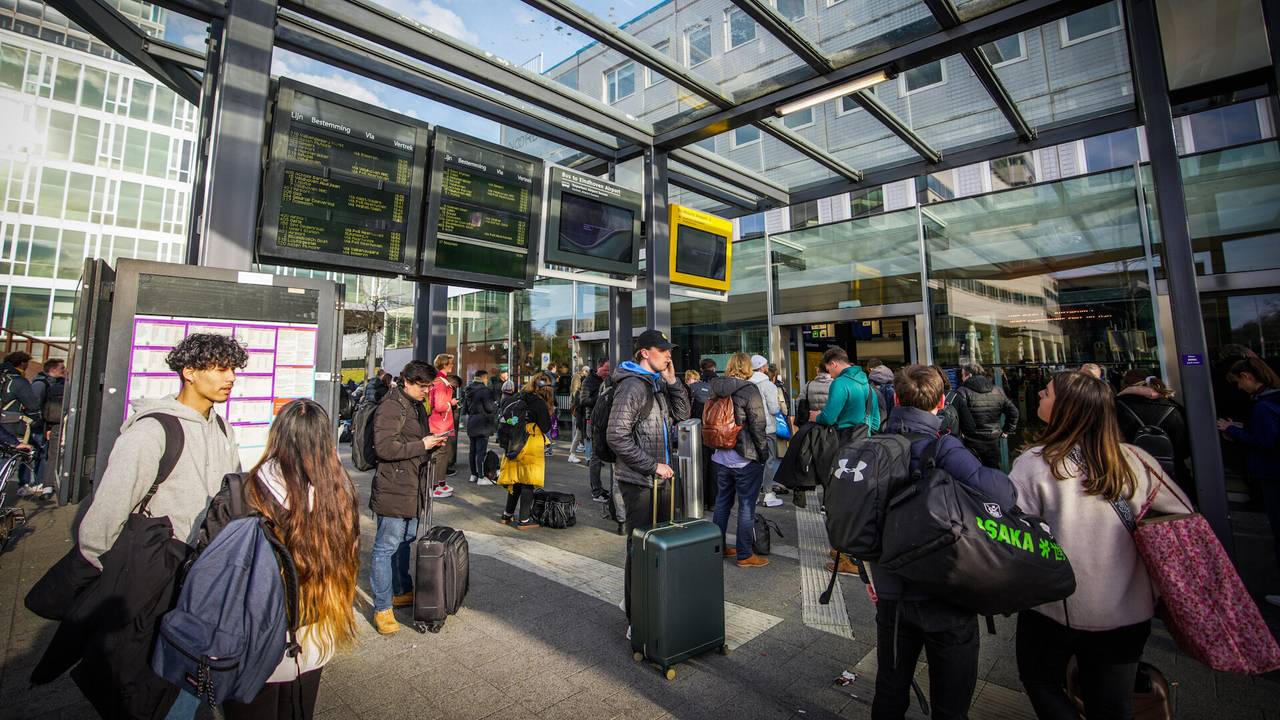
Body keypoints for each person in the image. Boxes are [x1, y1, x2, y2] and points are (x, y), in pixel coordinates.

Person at [75, 334, 245, 720]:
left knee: (186, 665)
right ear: (189, 372)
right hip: (154, 569)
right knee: (144, 664)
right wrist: (99, 572)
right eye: (220, 368)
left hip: (202, 570)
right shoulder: (151, 431)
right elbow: (108, 510)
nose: (231, 377)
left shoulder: (221, 428)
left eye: (233, 369)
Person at [1010, 371, 1192, 719]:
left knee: (1040, 679)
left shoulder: (1036, 463)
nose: (1038, 397)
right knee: (1112, 703)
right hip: (1128, 606)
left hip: (1055, 604)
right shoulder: (1136, 462)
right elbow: (1181, 517)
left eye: (1046, 393)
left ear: (1067, 408)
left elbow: (1013, 529)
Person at [867, 365, 1017, 720]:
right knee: (951, 700)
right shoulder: (944, 447)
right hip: (945, 588)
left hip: (891, 588)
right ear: (938, 403)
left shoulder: (873, 445)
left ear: (897, 398)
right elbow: (1000, 493)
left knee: (890, 688)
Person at [213, 400, 360, 720]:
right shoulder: (338, 492)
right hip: (317, 630)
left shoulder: (248, 491)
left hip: (256, 635)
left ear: (277, 434)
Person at [606, 330, 690, 632]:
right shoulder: (632, 386)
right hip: (641, 480)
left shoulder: (654, 383)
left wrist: (672, 381)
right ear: (644, 352)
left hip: (656, 477)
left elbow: (683, 414)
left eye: (670, 350)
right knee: (640, 548)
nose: (669, 356)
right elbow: (616, 434)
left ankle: (636, 603)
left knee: (652, 545)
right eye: (662, 350)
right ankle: (636, 618)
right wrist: (652, 465)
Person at [369, 360, 448, 635]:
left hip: (412, 485)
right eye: (423, 386)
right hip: (394, 486)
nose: (427, 391)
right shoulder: (391, 406)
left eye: (429, 386)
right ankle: (382, 607)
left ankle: (401, 589)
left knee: (405, 541)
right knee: (386, 546)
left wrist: (432, 442)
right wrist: (422, 444)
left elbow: (413, 440)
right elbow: (384, 447)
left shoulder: (414, 405)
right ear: (407, 382)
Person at [1217, 356, 1280, 607]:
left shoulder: (1264, 406)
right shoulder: (1272, 400)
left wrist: (1232, 430)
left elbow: (1266, 441)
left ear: (1247, 377)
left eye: (1238, 382)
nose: (1239, 388)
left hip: (1272, 473)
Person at [708, 352, 770, 568]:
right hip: (745, 457)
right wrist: (763, 453)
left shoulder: (715, 388)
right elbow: (757, 424)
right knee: (746, 505)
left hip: (720, 456)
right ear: (748, 368)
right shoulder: (749, 390)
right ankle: (745, 554)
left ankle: (718, 547)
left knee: (722, 502)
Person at [1115, 370, 1191, 498]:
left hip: (1130, 477)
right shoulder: (1174, 408)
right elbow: (1185, 450)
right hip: (1172, 479)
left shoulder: (1114, 406)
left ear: (1126, 384)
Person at [497, 376, 554, 529]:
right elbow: (545, 427)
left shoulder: (518, 396)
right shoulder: (538, 403)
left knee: (515, 481)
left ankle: (507, 515)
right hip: (530, 443)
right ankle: (524, 520)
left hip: (514, 443)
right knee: (528, 481)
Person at [953, 362, 1018, 469]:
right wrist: (1006, 430)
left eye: (962, 375)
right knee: (993, 472)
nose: (962, 378)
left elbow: (957, 416)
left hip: (971, 442)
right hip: (993, 440)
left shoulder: (962, 392)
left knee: (972, 473)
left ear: (969, 375)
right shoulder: (997, 390)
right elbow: (1013, 412)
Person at [1, 351, 43, 493]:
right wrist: (37, 422)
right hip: (11, 425)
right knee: (14, 452)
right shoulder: (19, 381)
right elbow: (33, 406)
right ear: (22, 363)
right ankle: (24, 484)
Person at [815, 347, 880, 433]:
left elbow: (828, 418)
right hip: (865, 442)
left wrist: (816, 417)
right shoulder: (868, 386)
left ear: (833, 364)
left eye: (828, 370)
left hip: (844, 442)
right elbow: (876, 423)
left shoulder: (839, 383)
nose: (830, 375)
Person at [427, 354, 458, 497]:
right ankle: (434, 486)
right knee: (440, 454)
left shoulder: (438, 380)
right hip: (440, 423)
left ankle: (439, 483)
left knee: (442, 453)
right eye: (450, 363)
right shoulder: (440, 382)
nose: (452, 365)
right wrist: (450, 403)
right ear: (445, 364)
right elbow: (439, 405)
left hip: (441, 422)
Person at [580, 359, 611, 503]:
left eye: (609, 370)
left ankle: (601, 489)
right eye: (605, 370)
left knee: (603, 455)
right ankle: (596, 491)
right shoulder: (588, 381)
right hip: (593, 421)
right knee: (596, 456)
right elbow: (584, 401)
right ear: (598, 367)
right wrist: (602, 396)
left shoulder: (609, 379)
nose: (607, 373)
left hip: (606, 421)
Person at [464, 370, 497, 486]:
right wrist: (495, 406)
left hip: (472, 422)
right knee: (481, 452)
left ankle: (473, 474)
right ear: (484, 378)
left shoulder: (468, 389)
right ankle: (481, 477)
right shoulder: (485, 391)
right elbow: (490, 408)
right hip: (483, 424)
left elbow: (465, 409)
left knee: (472, 451)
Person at [568, 366, 589, 463]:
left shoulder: (579, 389)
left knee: (579, 434)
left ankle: (573, 453)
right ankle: (572, 454)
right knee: (579, 434)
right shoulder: (578, 382)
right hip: (580, 414)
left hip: (580, 414)